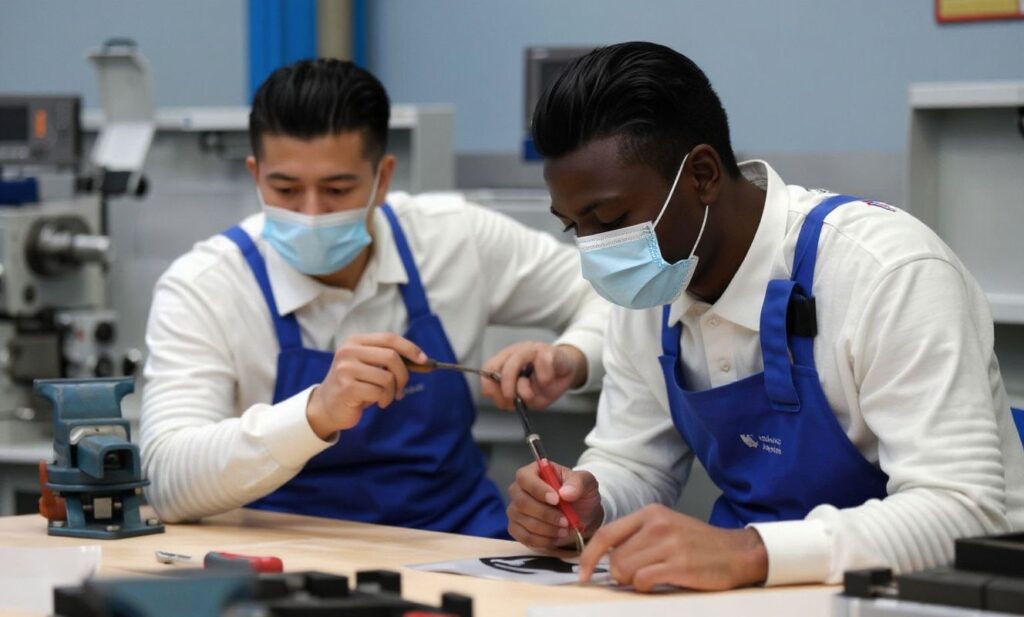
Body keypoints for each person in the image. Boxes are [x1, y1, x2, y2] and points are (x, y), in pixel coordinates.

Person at [507, 41, 1024, 589]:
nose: (594, 250)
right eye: (573, 227)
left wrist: (751, 551)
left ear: (702, 174)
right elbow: (636, 464)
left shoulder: (885, 271)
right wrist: (588, 502)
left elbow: (962, 510)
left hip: (936, 593)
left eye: (609, 218)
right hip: (760, 591)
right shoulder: (653, 290)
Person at [140, 58, 609, 538]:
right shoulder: (205, 287)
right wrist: (316, 412)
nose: (312, 212)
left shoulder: (453, 238)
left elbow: (613, 296)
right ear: (256, 175)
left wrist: (572, 357)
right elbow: (164, 479)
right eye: (284, 188)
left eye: (337, 188)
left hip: (459, 544)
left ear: (382, 178)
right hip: (286, 559)